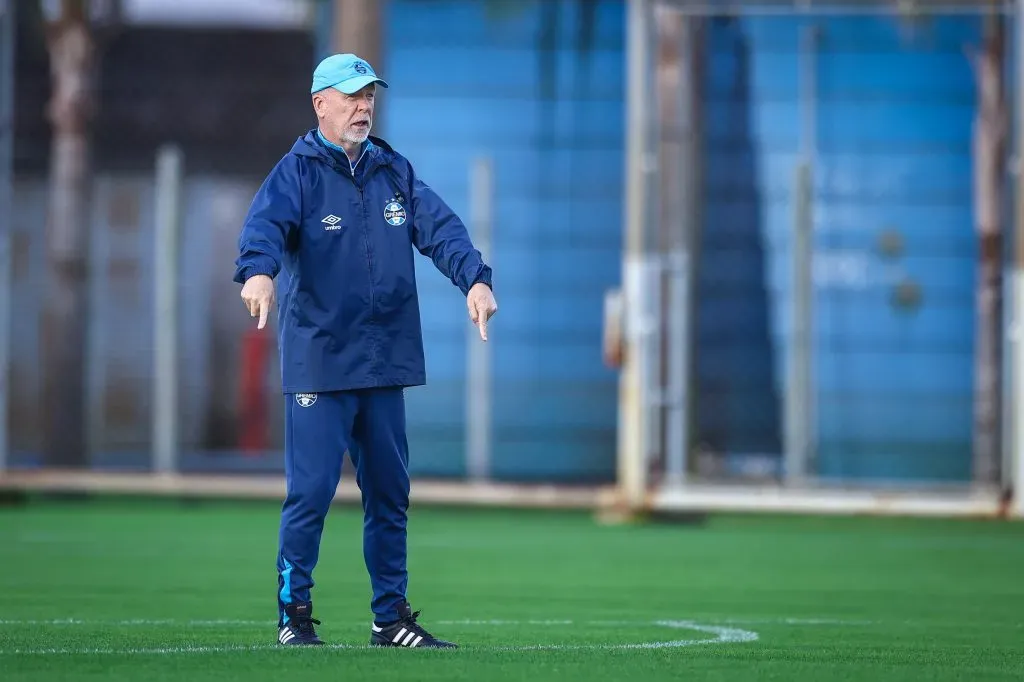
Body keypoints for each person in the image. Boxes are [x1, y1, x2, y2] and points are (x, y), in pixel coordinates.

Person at [232, 53, 497, 649]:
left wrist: (475, 279)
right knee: (311, 493)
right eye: (351, 96)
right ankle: (293, 617)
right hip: (321, 362)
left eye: (369, 95)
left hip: (385, 360)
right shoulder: (296, 172)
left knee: (390, 495)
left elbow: (441, 230)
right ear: (319, 102)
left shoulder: (392, 169)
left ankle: (390, 619)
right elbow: (263, 231)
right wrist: (258, 274)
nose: (363, 106)